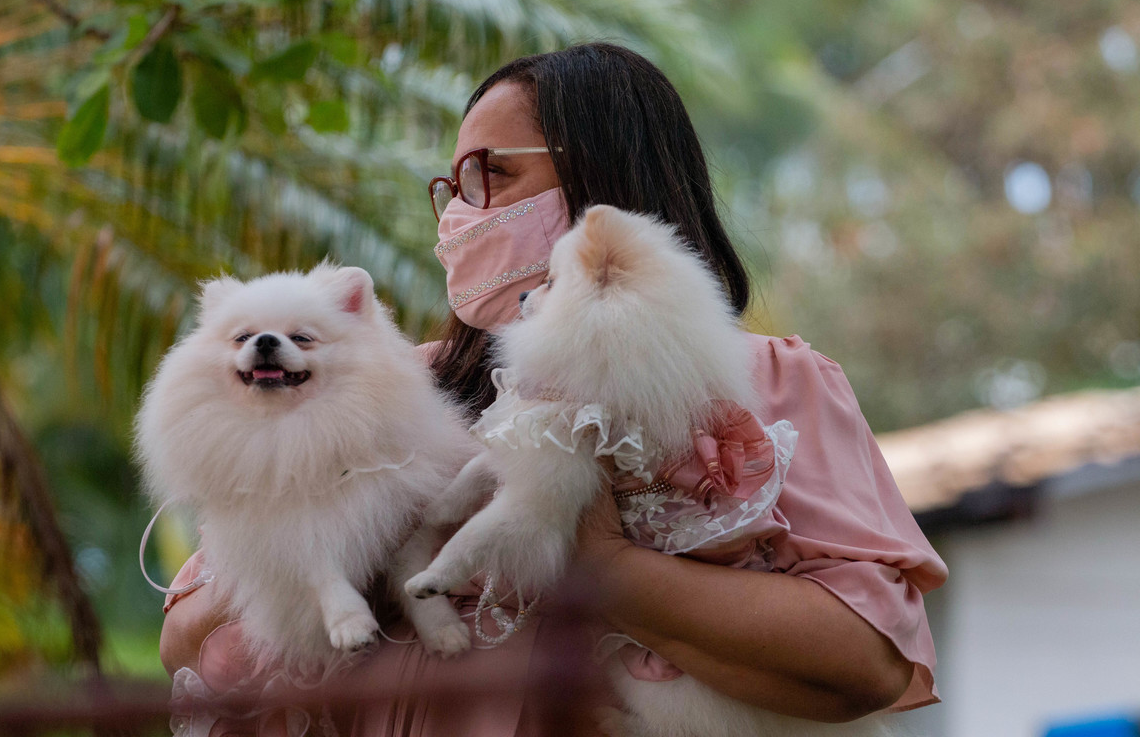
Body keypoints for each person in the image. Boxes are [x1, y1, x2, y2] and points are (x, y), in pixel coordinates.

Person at [159, 42, 947, 734]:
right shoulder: (381, 382)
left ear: (601, 172)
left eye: (490, 175)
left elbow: (869, 661)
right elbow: (183, 638)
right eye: (453, 186)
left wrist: (600, 563)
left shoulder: (771, 378)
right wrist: (335, 550)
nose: (461, 212)